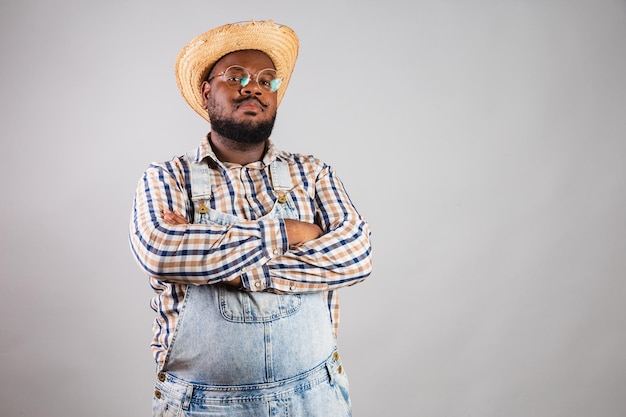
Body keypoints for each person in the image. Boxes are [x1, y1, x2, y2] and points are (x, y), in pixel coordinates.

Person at [129, 19, 373, 417]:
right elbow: (161, 252)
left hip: (315, 398)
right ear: (207, 92)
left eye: (267, 79)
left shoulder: (311, 173)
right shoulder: (166, 177)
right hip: (203, 405)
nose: (254, 86)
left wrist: (231, 269)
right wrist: (292, 232)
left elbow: (357, 255)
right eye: (236, 76)